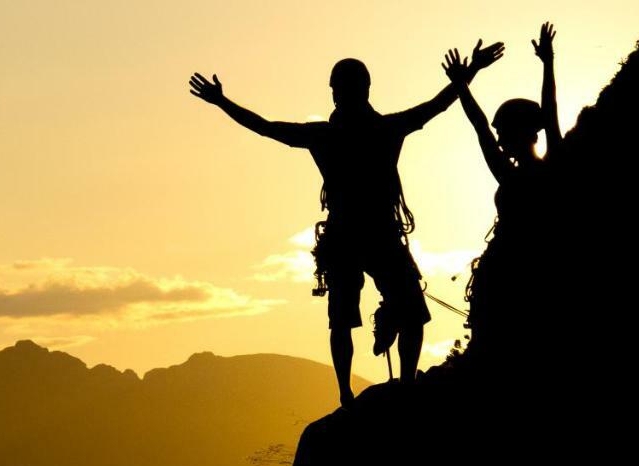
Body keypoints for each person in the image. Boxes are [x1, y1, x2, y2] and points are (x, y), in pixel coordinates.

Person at [189, 41, 503, 405]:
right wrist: (471, 72)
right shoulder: (380, 129)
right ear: (366, 89)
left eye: (338, 88)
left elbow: (265, 128)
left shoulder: (327, 135)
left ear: (345, 91)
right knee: (403, 310)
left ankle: (351, 392)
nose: (336, 94)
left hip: (349, 236)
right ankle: (393, 386)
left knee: (358, 314)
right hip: (375, 233)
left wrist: (222, 102)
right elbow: (435, 106)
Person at [444, 24, 559, 360]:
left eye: (503, 133)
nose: (498, 139)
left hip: (517, 273)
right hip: (522, 271)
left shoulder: (518, 175)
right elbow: (484, 126)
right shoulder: (536, 170)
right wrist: (461, 85)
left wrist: (462, 84)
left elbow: (547, 112)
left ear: (520, 133)